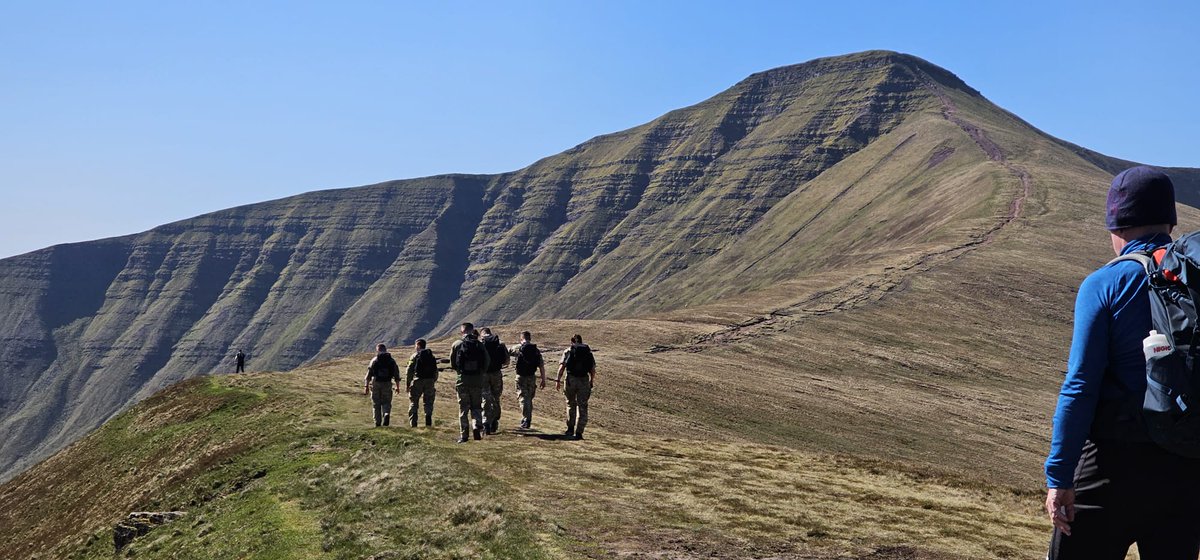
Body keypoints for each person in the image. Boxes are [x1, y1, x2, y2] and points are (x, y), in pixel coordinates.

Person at [1045, 166, 1200, 558]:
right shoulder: (1196, 279)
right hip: (1186, 467)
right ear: (1170, 220)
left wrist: (1059, 476)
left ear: (1116, 225)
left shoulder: (1105, 283)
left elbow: (1080, 385)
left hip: (1112, 467)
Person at [450, 323, 490, 443]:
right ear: (473, 331)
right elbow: (487, 361)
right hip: (477, 381)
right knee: (476, 406)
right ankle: (477, 425)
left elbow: (452, 363)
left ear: (462, 332)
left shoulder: (457, 344)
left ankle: (464, 435)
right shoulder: (479, 344)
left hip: (462, 381)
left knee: (463, 409)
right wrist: (481, 373)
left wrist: (460, 372)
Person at [555, 334, 596, 440]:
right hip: (583, 381)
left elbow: (562, 367)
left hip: (570, 380)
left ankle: (570, 429)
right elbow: (592, 369)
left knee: (570, 404)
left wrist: (558, 380)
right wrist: (591, 381)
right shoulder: (588, 352)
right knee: (582, 406)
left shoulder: (568, 351)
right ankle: (579, 432)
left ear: (572, 341)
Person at [512, 331, 546, 430]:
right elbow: (541, 366)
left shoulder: (518, 348)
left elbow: (506, 353)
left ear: (521, 338)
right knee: (529, 399)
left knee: (523, 398)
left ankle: (526, 419)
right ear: (530, 338)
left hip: (520, 377)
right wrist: (543, 379)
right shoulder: (536, 350)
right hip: (531, 377)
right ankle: (527, 418)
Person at [479, 327, 509, 434]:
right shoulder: (500, 344)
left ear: (481, 334)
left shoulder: (480, 344)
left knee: (485, 397)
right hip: (496, 373)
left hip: (483, 374)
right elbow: (506, 361)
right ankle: (495, 420)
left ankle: (485, 422)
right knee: (496, 397)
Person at [364, 343, 401, 427]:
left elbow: (368, 375)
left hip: (376, 383)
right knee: (386, 402)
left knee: (376, 403)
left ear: (378, 350)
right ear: (385, 349)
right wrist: (397, 387)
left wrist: (366, 386)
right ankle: (386, 413)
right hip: (387, 383)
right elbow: (396, 375)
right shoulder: (391, 360)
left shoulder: (374, 360)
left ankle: (377, 423)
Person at [405, 339, 439, 427]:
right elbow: (435, 371)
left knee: (414, 401)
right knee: (428, 401)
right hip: (429, 381)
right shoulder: (431, 356)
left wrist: (408, 384)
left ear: (418, 346)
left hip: (417, 380)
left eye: (415, 346)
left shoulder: (414, 356)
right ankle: (428, 419)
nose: (415, 347)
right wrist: (433, 380)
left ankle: (413, 423)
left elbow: (409, 371)